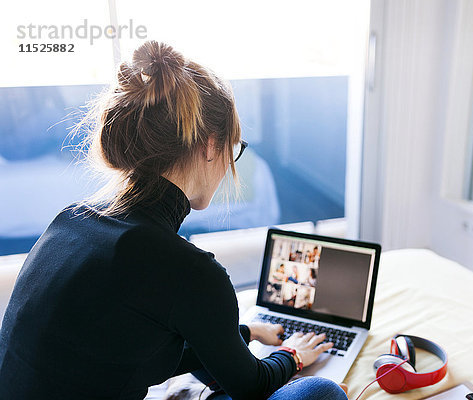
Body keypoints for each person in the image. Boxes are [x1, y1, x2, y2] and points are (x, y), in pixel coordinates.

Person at [0, 41, 347, 400]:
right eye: (234, 149)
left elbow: (139, 350)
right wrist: (293, 356)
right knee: (322, 392)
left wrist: (247, 332)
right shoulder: (189, 271)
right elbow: (252, 385)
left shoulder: (70, 221)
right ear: (211, 145)